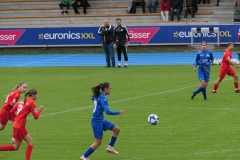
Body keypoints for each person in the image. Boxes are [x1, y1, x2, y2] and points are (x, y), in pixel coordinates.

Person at [80, 82, 125, 160]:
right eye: (109, 88)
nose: (110, 90)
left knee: (117, 129)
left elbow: (92, 98)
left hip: (101, 120)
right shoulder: (103, 98)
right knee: (98, 142)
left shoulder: (99, 95)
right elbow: (107, 111)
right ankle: (84, 157)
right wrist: (118, 112)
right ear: (105, 89)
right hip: (97, 122)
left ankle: (110, 147)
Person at [0, 89, 43, 160]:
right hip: (20, 126)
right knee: (15, 147)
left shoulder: (21, 101)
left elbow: (11, 111)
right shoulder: (32, 103)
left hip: (18, 125)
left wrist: (18, 117)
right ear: (33, 95)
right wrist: (40, 109)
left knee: (31, 142)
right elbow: (36, 117)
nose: (37, 96)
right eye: (37, 95)